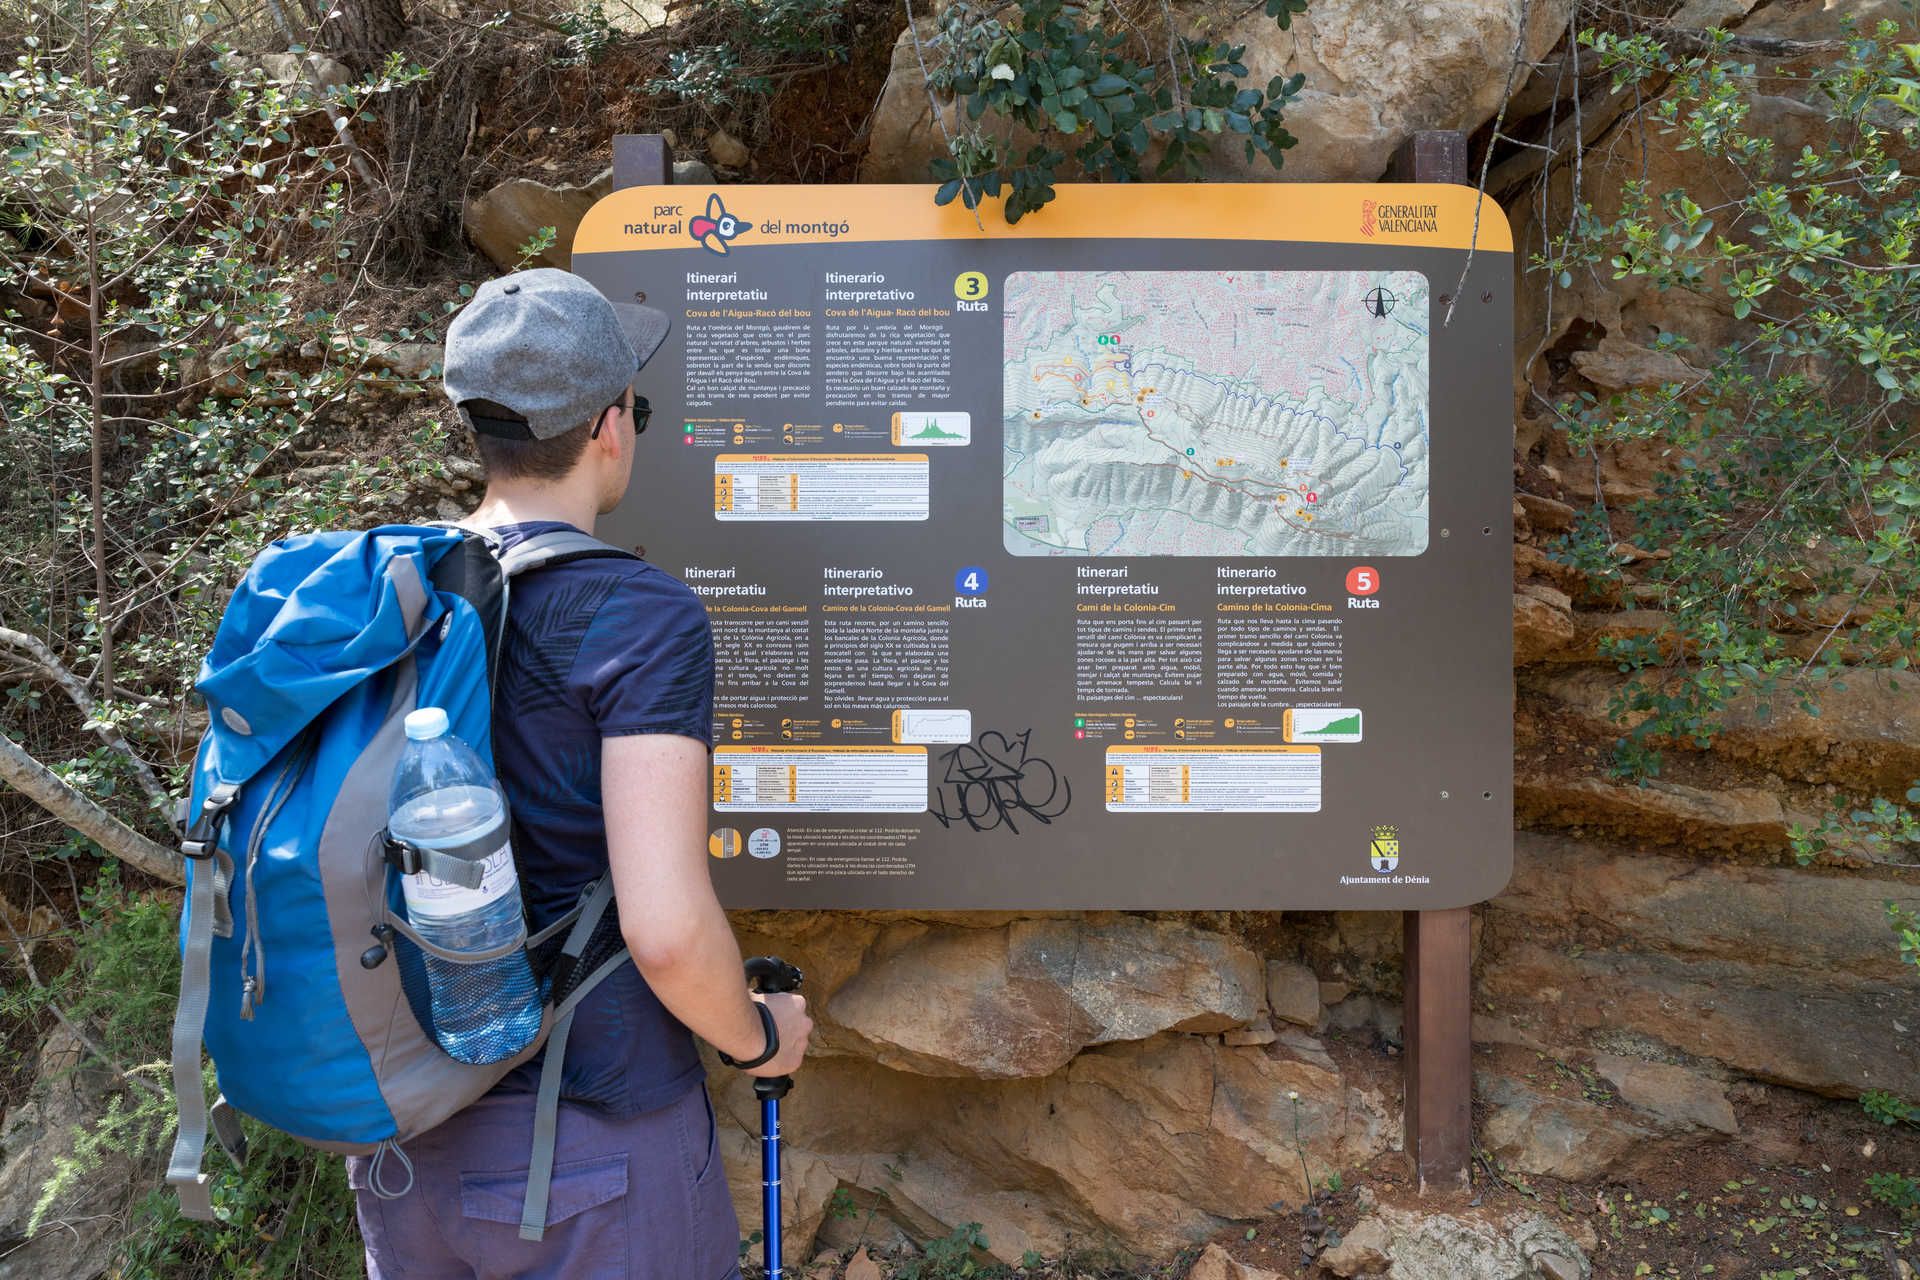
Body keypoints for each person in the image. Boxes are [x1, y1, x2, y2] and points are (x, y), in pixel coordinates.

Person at [346, 268, 812, 1279]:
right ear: (610, 426)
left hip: (403, 1138)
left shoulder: (388, 593)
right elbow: (667, 928)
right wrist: (758, 1037)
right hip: (590, 1149)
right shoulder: (642, 617)